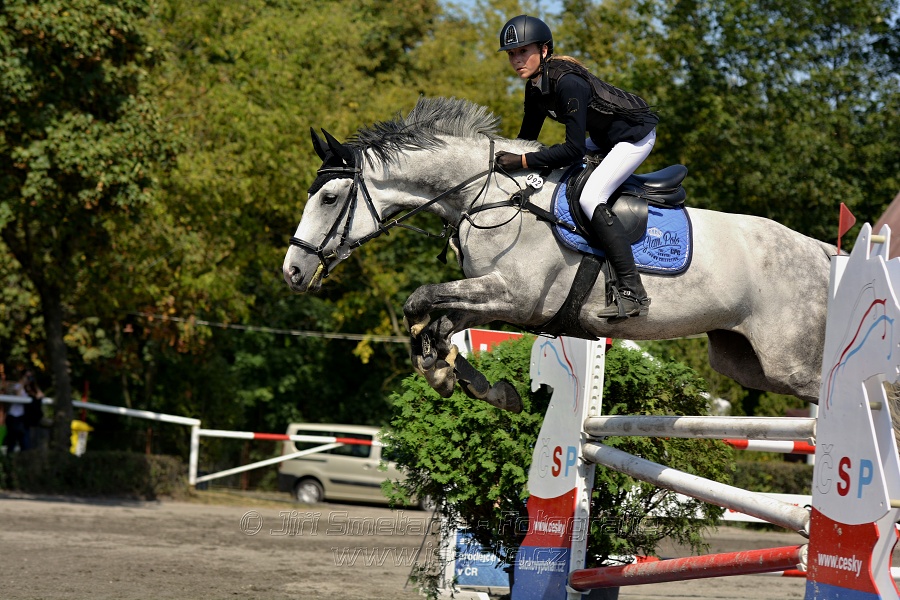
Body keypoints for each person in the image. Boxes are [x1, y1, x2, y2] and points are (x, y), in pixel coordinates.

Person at [494, 15, 659, 321]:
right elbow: (527, 140)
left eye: (523, 51)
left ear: (544, 50)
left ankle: (632, 291)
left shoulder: (568, 83)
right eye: (511, 54)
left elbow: (573, 150)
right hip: (603, 137)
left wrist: (522, 162)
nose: (516, 60)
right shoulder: (535, 86)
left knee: (591, 196)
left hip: (633, 137)